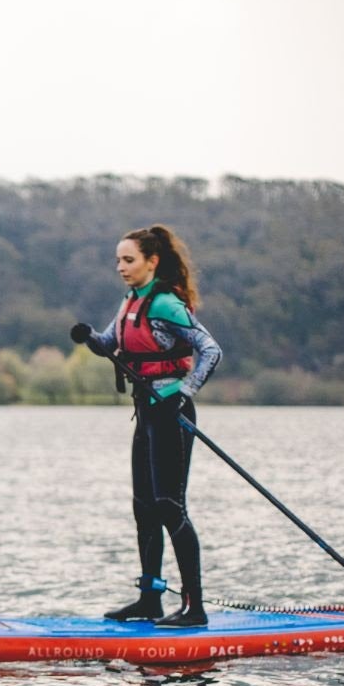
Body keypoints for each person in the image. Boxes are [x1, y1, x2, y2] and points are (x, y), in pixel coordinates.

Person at [71, 223, 222, 628]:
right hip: (147, 412)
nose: (120, 266)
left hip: (170, 412)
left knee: (170, 507)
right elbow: (109, 344)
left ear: (151, 262)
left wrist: (184, 391)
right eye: (118, 260)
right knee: (144, 508)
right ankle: (150, 599)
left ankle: (195, 607)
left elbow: (210, 350)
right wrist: (89, 338)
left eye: (128, 259)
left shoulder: (165, 304)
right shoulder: (131, 300)